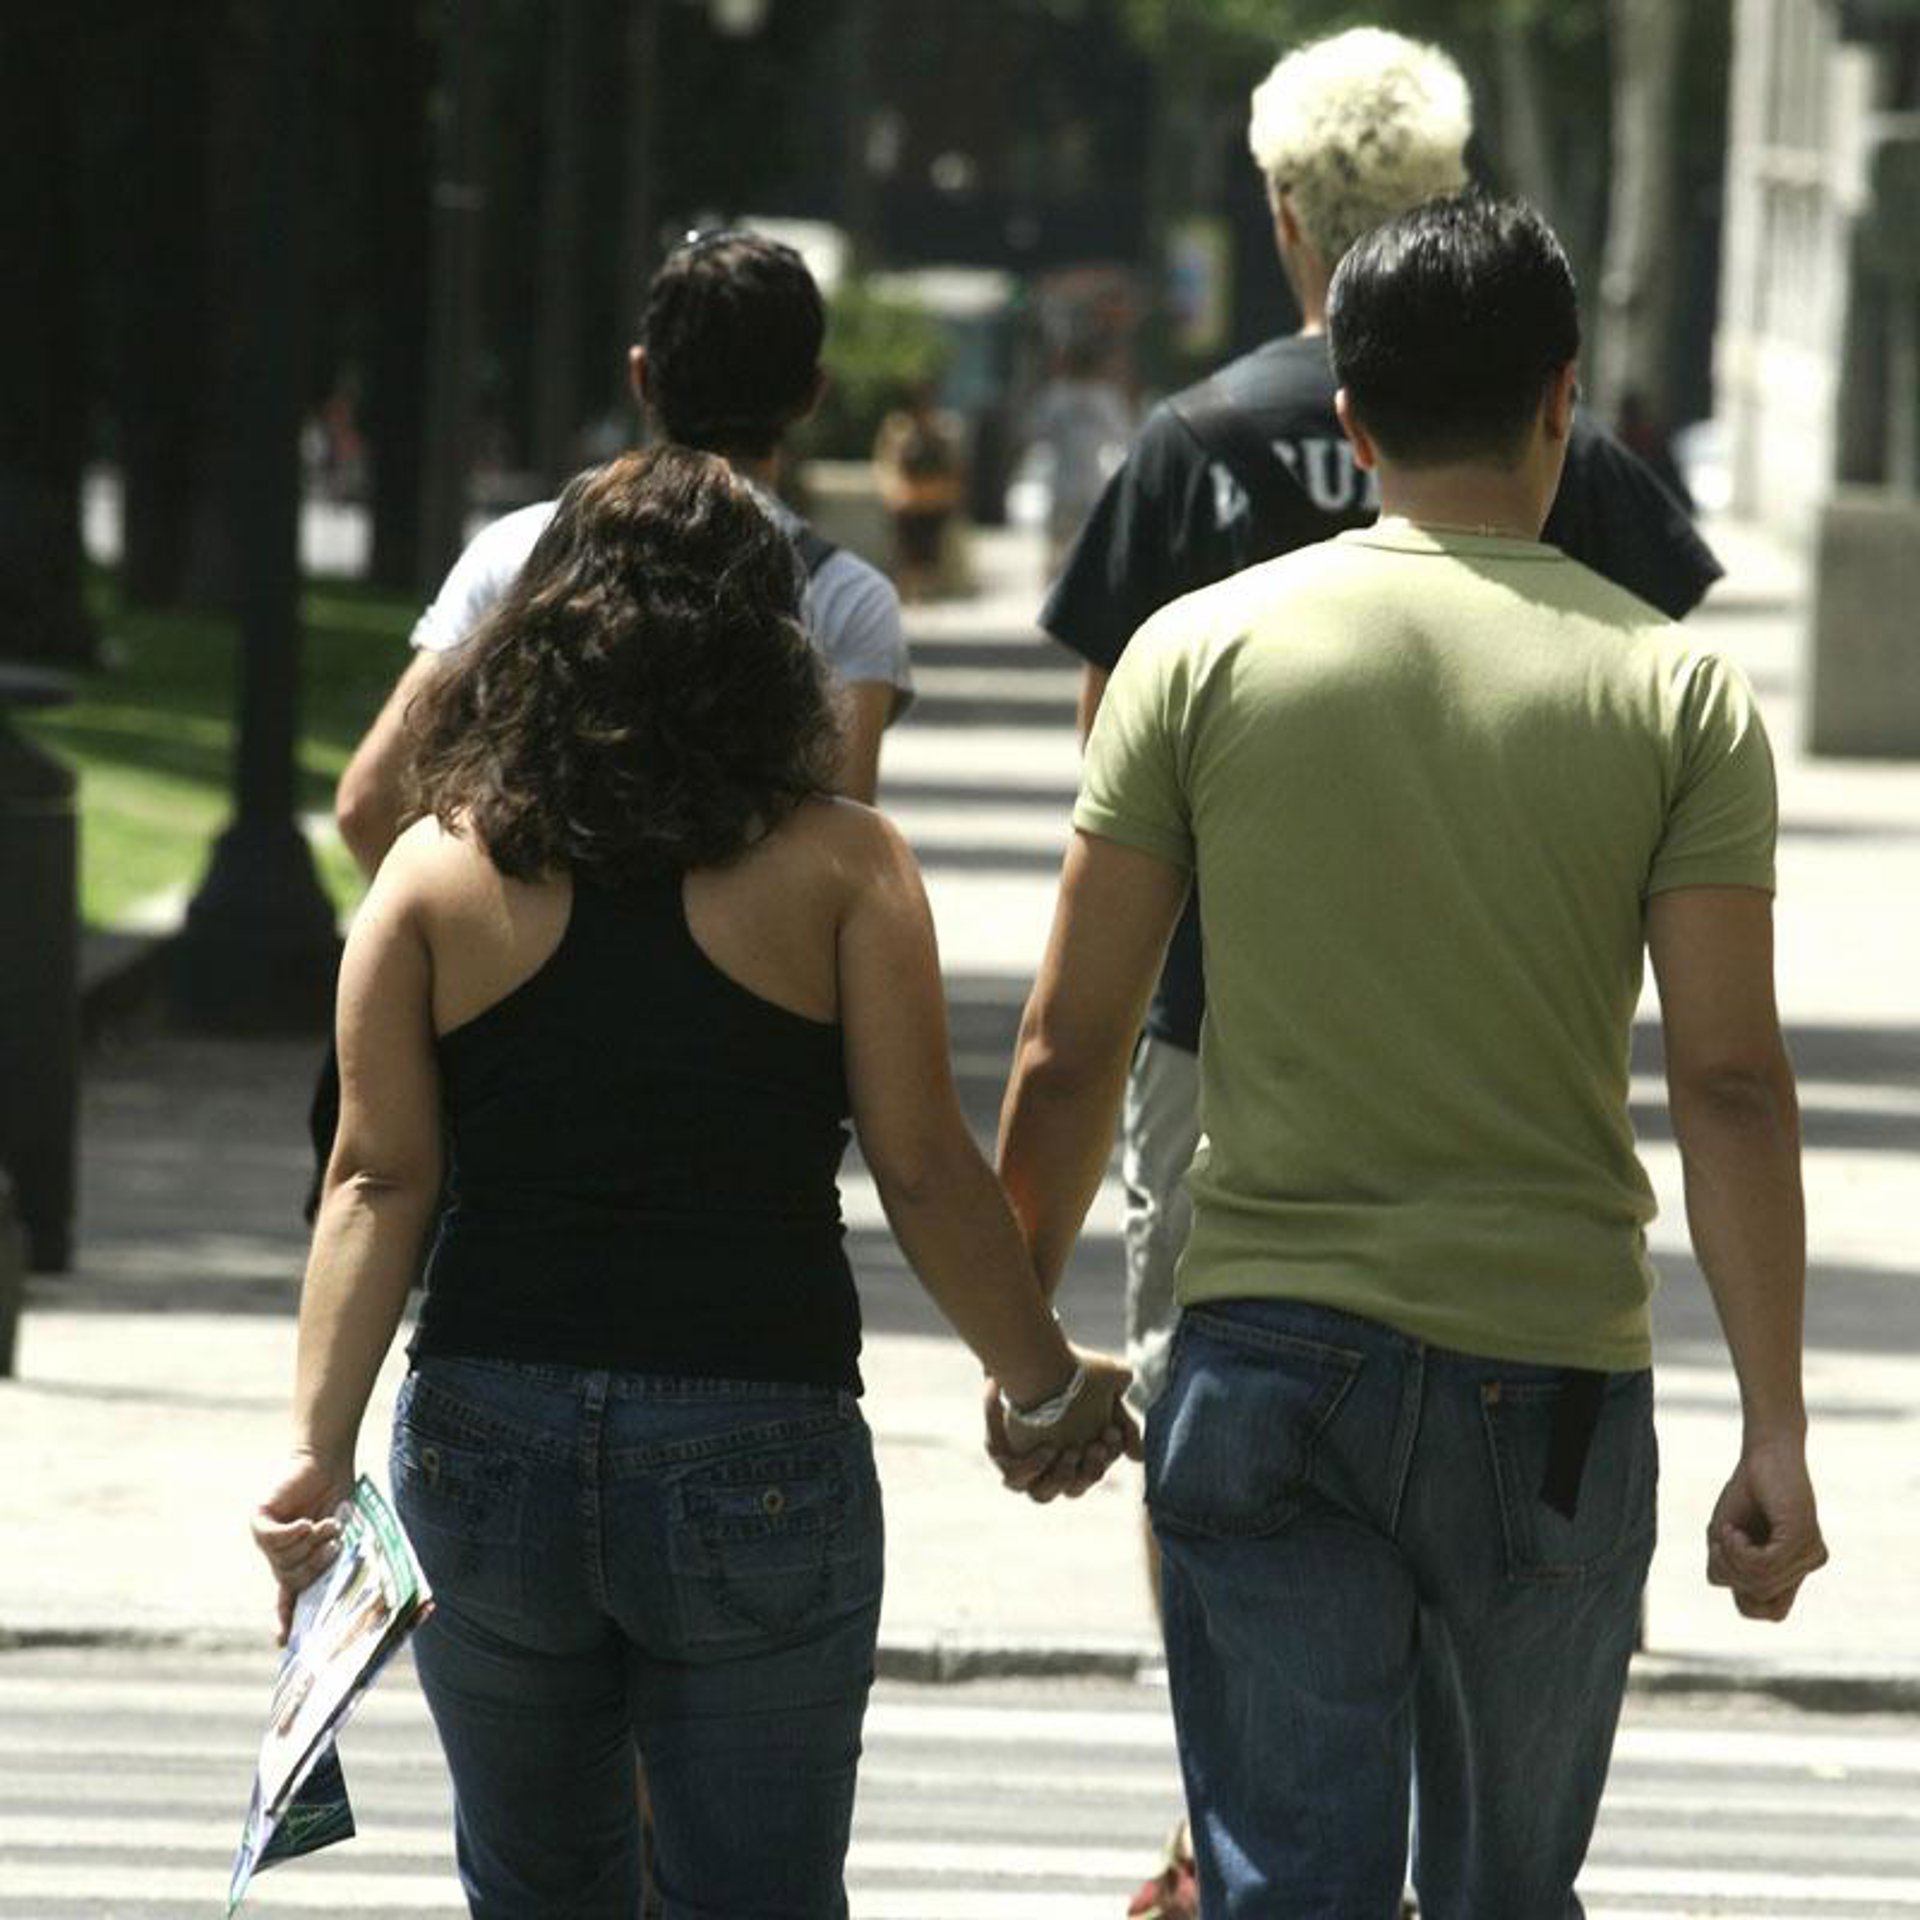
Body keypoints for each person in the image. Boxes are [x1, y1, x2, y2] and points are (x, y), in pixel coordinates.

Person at [997, 190, 1826, 1917]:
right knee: (1506, 1891)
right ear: (1563, 402)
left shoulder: (1195, 655)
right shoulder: (1675, 693)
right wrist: (1774, 1425)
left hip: (1264, 1356)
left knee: (1286, 1882)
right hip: (1554, 1378)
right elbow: (1732, 1085)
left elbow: (1070, 1048)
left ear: (1353, 419)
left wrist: (1031, 1366)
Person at [253, 447, 1135, 1918]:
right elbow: (924, 1170)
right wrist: (1042, 1386)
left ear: (540, 631)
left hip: (484, 1437)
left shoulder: (430, 874)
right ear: (768, 647)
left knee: (536, 1892)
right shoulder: (848, 870)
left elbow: (376, 1180)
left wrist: (315, 1448)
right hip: (758, 1432)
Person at [335, 230, 911, 879]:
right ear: (812, 394)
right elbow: (838, 868)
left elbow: (366, 805)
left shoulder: (515, 552)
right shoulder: (849, 598)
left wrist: (477, 927)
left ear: (641, 376)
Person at [1027, 336, 1134, 577]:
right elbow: (1124, 438)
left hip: (1067, 484)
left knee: (1060, 551)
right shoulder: (1104, 399)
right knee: (1083, 551)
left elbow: (1036, 435)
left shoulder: (1056, 398)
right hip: (1084, 484)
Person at [872, 379, 965, 605]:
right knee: (907, 557)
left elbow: (954, 470)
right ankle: (911, 596)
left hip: (933, 504)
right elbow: (887, 465)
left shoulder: (942, 430)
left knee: (929, 558)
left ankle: (925, 596)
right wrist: (893, 493)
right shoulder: (899, 429)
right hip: (908, 504)